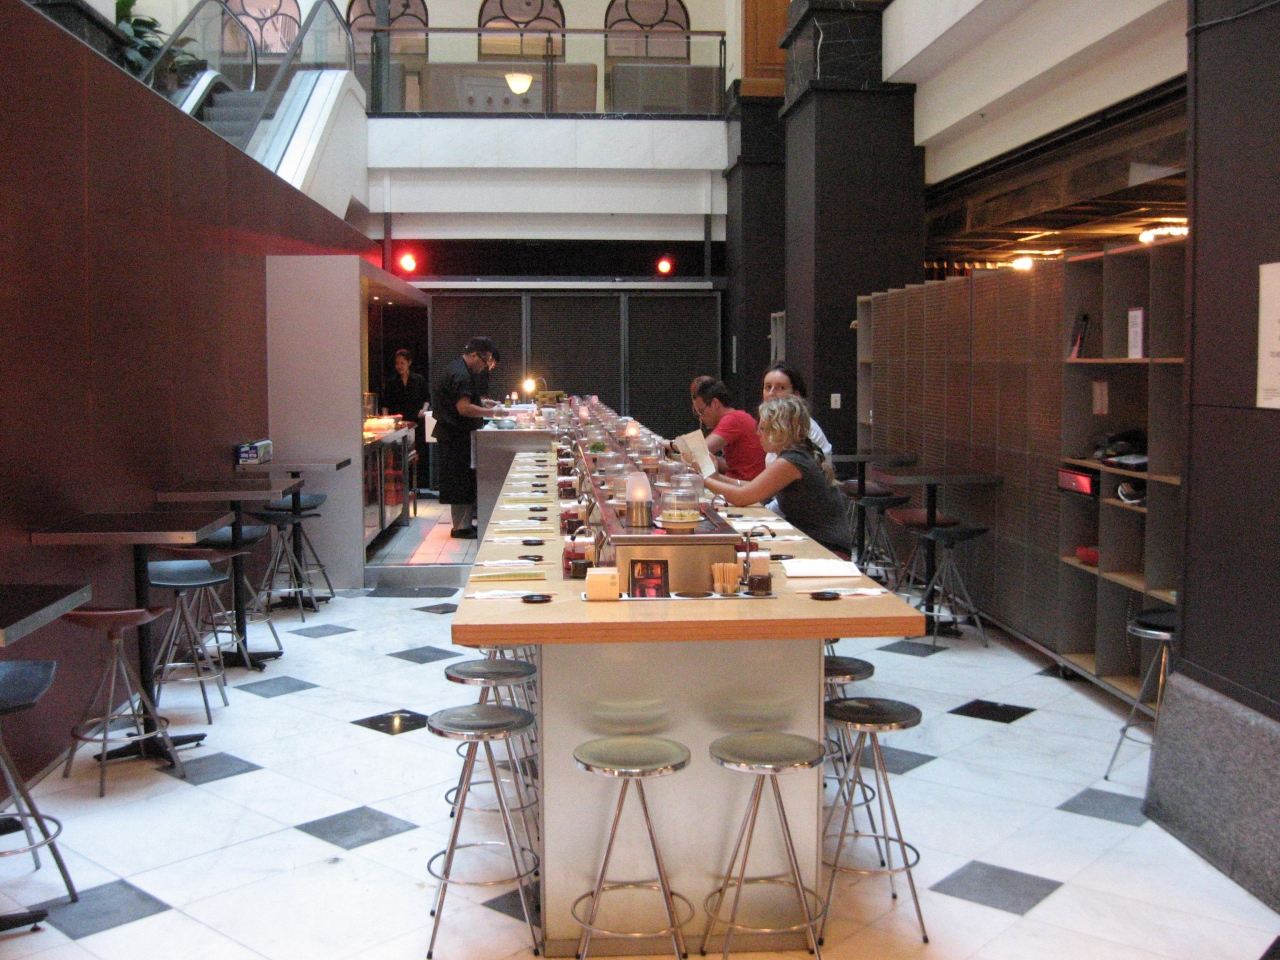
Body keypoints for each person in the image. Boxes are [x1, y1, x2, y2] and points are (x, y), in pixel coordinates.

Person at [704, 396, 852, 557]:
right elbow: (753, 488)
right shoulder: (799, 452)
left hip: (827, 548)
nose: (757, 433)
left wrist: (702, 479)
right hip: (813, 539)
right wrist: (715, 476)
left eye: (762, 428)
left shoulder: (792, 460)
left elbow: (741, 497)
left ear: (779, 430)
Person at [432, 337, 501, 538]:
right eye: (485, 361)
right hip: (455, 436)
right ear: (474, 355)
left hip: (454, 434)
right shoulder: (461, 374)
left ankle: (465, 524)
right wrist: (491, 413)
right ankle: (461, 528)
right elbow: (463, 408)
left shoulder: (458, 368)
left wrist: (483, 404)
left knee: (463, 480)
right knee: (460, 481)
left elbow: (466, 400)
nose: (485, 367)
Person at [693, 379, 767, 480]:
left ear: (715, 403)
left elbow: (698, 452)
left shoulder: (732, 419)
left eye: (701, 411)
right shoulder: (737, 417)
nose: (700, 418)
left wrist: (672, 445)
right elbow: (730, 465)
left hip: (743, 484)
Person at [383, 348, 432, 494]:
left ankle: (416, 486)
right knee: (399, 455)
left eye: (402, 363)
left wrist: (424, 409)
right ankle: (401, 487)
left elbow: (427, 398)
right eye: (397, 363)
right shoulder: (391, 382)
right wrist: (386, 421)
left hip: (416, 422)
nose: (399, 366)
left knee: (416, 454)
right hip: (398, 424)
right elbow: (385, 403)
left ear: (409, 363)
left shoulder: (419, 380)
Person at [761, 362, 832, 461]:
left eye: (780, 388)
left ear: (796, 395)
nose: (771, 393)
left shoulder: (804, 428)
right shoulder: (776, 426)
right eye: (768, 387)